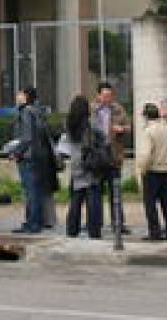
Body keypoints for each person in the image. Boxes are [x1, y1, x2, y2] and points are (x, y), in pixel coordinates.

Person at [58, 95, 110, 240]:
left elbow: (64, 146)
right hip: (90, 164)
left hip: (76, 165)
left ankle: (72, 229)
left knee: (76, 199)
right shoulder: (91, 124)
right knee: (93, 199)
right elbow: (104, 138)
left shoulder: (69, 124)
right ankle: (94, 230)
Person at [136, 100, 167, 241]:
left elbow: (146, 154)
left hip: (153, 170)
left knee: (150, 203)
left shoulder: (149, 131)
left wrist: (142, 169)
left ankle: (154, 231)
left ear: (146, 117)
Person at [10, 87, 52, 235]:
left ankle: (32, 223)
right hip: (39, 156)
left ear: (26, 97)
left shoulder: (26, 112)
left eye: (20, 94)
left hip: (28, 157)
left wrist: (16, 152)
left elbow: (27, 137)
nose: (17, 96)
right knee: (36, 191)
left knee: (31, 192)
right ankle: (36, 221)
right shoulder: (38, 111)